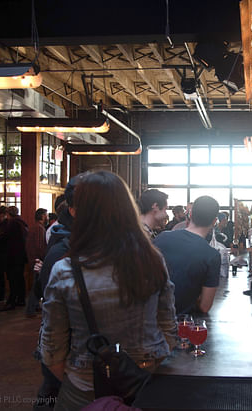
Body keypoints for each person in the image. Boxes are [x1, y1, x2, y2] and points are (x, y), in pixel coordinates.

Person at [40, 171, 177, 410]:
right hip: (148, 379)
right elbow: (169, 327)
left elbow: (52, 350)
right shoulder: (152, 259)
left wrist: (85, 382)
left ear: (79, 212)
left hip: (85, 384)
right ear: (127, 208)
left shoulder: (65, 270)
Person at [34, 174, 85, 410]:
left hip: (81, 355)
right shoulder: (62, 250)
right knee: (52, 394)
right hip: (67, 354)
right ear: (73, 210)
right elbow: (46, 301)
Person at [154, 196, 221, 314]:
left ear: (190, 215)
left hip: (150, 317)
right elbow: (205, 306)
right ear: (214, 222)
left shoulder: (162, 238)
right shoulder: (212, 255)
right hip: (181, 323)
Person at [0, 206, 28, 311]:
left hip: (12, 255)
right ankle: (21, 299)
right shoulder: (22, 222)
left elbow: (5, 237)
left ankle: (12, 301)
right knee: (20, 278)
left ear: (8, 214)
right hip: (21, 255)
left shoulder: (12, 223)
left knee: (13, 279)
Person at [25, 208, 48, 318]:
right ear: (42, 216)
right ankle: (30, 309)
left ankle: (34, 305)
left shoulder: (34, 227)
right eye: (46, 215)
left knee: (36, 283)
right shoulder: (39, 228)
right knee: (36, 285)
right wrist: (44, 259)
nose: (47, 217)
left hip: (32, 259)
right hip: (37, 260)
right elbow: (40, 247)